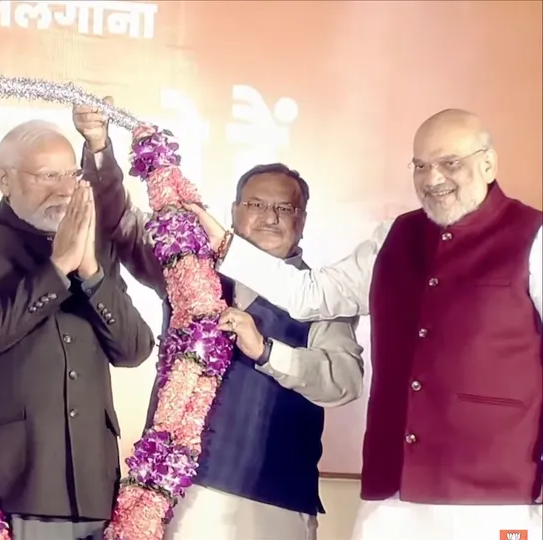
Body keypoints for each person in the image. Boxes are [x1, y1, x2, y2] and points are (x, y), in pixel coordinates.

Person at [187, 109, 543, 540]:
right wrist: (225, 244)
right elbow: (311, 294)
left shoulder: (533, 235)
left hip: (497, 497)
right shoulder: (395, 236)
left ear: (488, 163)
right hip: (389, 496)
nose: (433, 179)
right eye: (420, 166)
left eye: (449, 163)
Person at [76, 119, 365, 538]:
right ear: (233, 211)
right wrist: (100, 149)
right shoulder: (190, 266)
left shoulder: (321, 296)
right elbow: (121, 222)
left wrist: (268, 351)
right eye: (256, 204)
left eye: (284, 208)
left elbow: (344, 381)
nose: (270, 217)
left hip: (274, 503)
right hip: (184, 492)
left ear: (302, 220)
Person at [0, 118, 155, 540]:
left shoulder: (95, 241)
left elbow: (134, 349)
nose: (64, 189)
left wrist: (90, 272)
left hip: (92, 483)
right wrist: (56, 269)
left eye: (71, 174)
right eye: (47, 176)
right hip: (8, 481)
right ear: (4, 179)